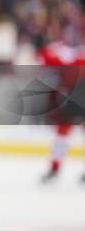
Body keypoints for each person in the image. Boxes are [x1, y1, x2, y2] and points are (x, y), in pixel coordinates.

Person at [36, 38, 85, 183]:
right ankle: (54, 167)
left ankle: (54, 167)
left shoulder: (54, 53)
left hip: (72, 96)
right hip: (71, 96)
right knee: (62, 133)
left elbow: (44, 62)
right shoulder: (56, 52)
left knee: (62, 133)